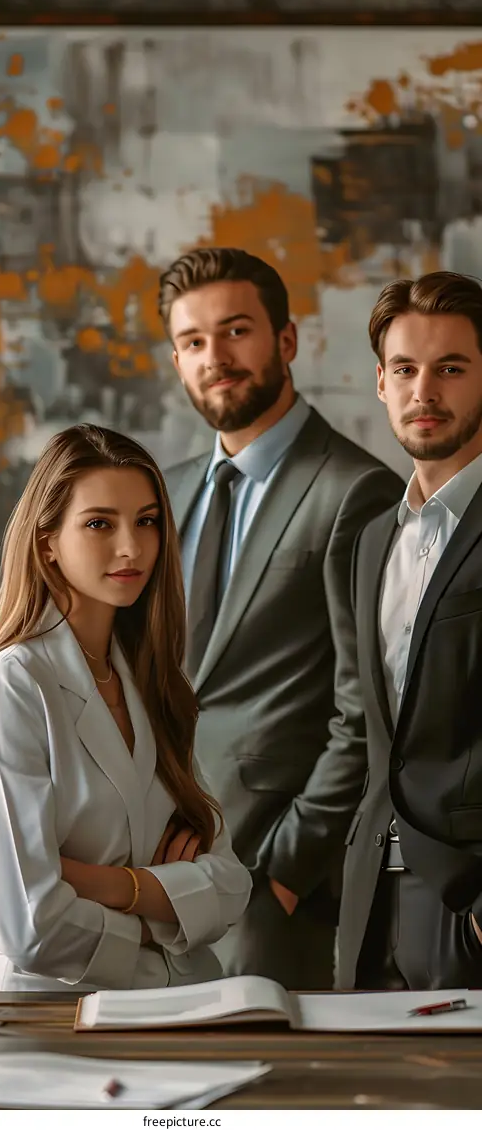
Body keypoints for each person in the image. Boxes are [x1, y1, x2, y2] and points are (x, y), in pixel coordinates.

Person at [0, 424, 252, 993]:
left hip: (171, 1005)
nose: (132, 547)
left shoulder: (150, 681)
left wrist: (109, 884)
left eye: (146, 521)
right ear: (46, 542)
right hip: (46, 1011)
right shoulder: (14, 684)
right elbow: (33, 928)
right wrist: (164, 912)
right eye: (100, 523)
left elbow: (230, 884)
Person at [159, 246, 405, 988]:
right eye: (193, 341)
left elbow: (365, 713)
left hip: (270, 885)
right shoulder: (163, 494)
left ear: (286, 340)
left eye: (236, 331)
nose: (215, 357)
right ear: (176, 361)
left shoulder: (356, 490)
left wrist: (285, 874)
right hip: (154, 873)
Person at [337, 270, 482, 991]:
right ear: (381, 382)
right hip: (371, 902)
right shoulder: (372, 543)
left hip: (468, 900)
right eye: (405, 369)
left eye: (450, 368)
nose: (424, 390)